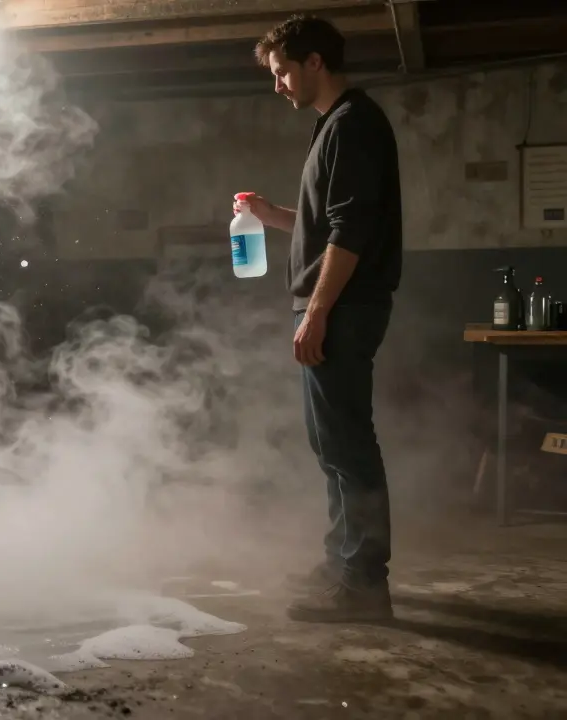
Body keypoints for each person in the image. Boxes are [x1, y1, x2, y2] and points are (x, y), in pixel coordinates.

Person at [238, 14, 402, 623]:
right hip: (331, 307)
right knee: (330, 444)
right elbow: (319, 225)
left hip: (342, 309)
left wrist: (319, 313)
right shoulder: (332, 126)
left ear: (314, 63)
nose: (277, 84)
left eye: (282, 71)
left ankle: (364, 584)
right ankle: (341, 565)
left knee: (349, 447)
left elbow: (350, 231)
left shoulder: (353, 125)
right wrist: (267, 212)